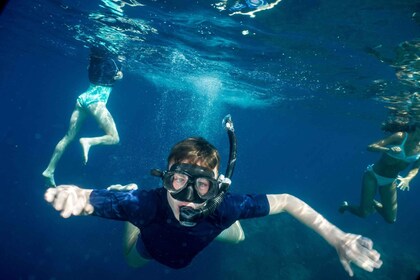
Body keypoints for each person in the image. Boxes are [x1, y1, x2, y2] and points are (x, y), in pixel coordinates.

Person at [45, 135, 382, 277]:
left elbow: (289, 202)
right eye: (179, 181)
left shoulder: (225, 206)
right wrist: (76, 193)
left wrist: (337, 236)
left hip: (212, 227)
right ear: (166, 178)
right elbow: (84, 195)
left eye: (202, 185)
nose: (188, 196)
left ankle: (217, 221)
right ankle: (129, 221)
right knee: (133, 261)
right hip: (151, 244)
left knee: (239, 237)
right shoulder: (145, 204)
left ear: (216, 187)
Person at [42, 46, 123, 187]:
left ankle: (49, 170)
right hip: (96, 102)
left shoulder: (94, 60)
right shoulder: (113, 60)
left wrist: (119, 74)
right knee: (114, 138)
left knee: (68, 137)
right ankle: (88, 142)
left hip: (83, 99)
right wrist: (119, 75)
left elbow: (103, 71)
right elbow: (115, 73)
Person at [339, 122, 420, 223]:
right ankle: (346, 207)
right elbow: (370, 147)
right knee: (364, 213)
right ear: (417, 127)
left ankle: (371, 202)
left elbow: (416, 167)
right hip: (373, 176)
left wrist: (408, 178)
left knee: (391, 219)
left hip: (390, 181)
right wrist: (387, 149)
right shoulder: (400, 136)